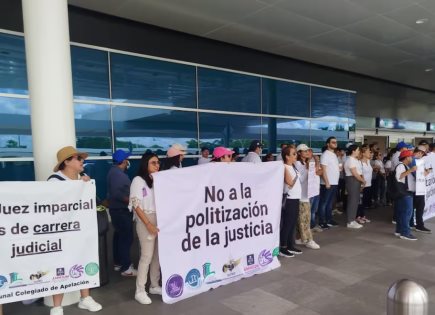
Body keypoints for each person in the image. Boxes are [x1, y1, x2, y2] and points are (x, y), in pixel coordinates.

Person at [48, 146, 102, 315]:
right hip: (61, 233)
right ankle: (57, 306)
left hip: (81, 231)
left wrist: (86, 187)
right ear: (66, 162)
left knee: (84, 259)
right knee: (59, 266)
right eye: (78, 159)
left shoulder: (82, 179)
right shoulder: (54, 181)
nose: (82, 161)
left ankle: (85, 298)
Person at [129, 153, 162, 304]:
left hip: (159, 220)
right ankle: (140, 290)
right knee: (146, 256)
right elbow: (136, 205)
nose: (157, 165)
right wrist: (148, 224)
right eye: (153, 163)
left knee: (157, 255)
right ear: (145, 164)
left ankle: (154, 285)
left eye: (158, 163)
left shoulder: (157, 180)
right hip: (145, 221)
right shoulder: (138, 180)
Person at [106, 149, 136, 276]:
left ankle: (119, 263)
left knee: (119, 237)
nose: (128, 162)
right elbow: (118, 194)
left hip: (117, 210)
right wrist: (132, 202)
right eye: (127, 159)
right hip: (121, 211)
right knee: (126, 238)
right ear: (123, 161)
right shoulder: (118, 175)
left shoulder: (115, 172)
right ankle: (126, 268)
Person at [295, 144, 320, 249]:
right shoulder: (297, 163)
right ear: (299, 153)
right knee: (305, 219)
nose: (307, 152)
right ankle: (308, 240)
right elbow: (301, 179)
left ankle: (300, 238)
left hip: (306, 194)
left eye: (307, 151)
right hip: (301, 196)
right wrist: (309, 169)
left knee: (303, 219)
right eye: (304, 151)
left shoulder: (305, 163)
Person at [279, 145, 303, 258]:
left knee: (293, 223)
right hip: (289, 199)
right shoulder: (284, 167)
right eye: (293, 154)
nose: (296, 155)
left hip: (295, 197)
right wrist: (296, 176)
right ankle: (282, 247)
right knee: (288, 224)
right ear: (287, 156)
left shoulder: (293, 166)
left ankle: (290, 245)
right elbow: (290, 182)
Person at [394, 150, 417, 240]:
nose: (412, 158)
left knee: (401, 212)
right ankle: (405, 233)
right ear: (407, 157)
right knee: (407, 213)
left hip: (404, 192)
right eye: (411, 156)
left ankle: (399, 230)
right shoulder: (401, 166)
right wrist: (411, 170)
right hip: (404, 192)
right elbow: (399, 176)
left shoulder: (405, 166)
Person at [318, 137, 340, 229]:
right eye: (333, 142)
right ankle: (322, 221)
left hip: (334, 182)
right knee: (324, 203)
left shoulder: (333, 155)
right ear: (328, 144)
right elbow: (323, 169)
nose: (335, 143)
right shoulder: (325, 155)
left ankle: (329, 219)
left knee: (330, 203)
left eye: (336, 142)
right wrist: (327, 182)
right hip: (327, 183)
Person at [344, 145, 365, 229]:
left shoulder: (354, 160)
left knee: (355, 200)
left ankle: (352, 219)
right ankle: (350, 221)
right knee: (352, 200)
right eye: (357, 150)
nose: (359, 151)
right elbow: (354, 173)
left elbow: (359, 172)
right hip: (352, 180)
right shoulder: (350, 160)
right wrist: (362, 180)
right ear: (353, 151)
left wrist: (361, 180)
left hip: (356, 180)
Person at [412, 146, 431, 233]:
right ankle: (419, 225)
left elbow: (421, 174)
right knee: (419, 207)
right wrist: (426, 172)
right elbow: (418, 175)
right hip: (416, 188)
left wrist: (426, 171)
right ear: (418, 152)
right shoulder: (413, 161)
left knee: (416, 207)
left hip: (418, 187)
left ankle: (414, 224)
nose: (422, 155)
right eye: (422, 153)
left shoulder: (419, 161)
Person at [307, 149, 323, 232]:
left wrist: (317, 163)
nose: (310, 154)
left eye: (311, 152)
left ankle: (312, 225)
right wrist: (317, 161)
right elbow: (316, 171)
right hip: (309, 191)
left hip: (316, 189)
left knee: (314, 210)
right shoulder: (306, 163)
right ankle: (308, 227)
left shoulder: (314, 163)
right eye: (308, 152)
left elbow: (320, 172)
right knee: (309, 211)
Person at [356, 145, 372, 224]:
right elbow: (359, 174)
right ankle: (358, 216)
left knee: (365, 201)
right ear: (363, 153)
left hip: (369, 184)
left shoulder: (368, 161)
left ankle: (363, 216)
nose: (370, 153)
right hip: (362, 185)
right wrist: (362, 184)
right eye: (368, 151)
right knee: (360, 202)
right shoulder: (360, 162)